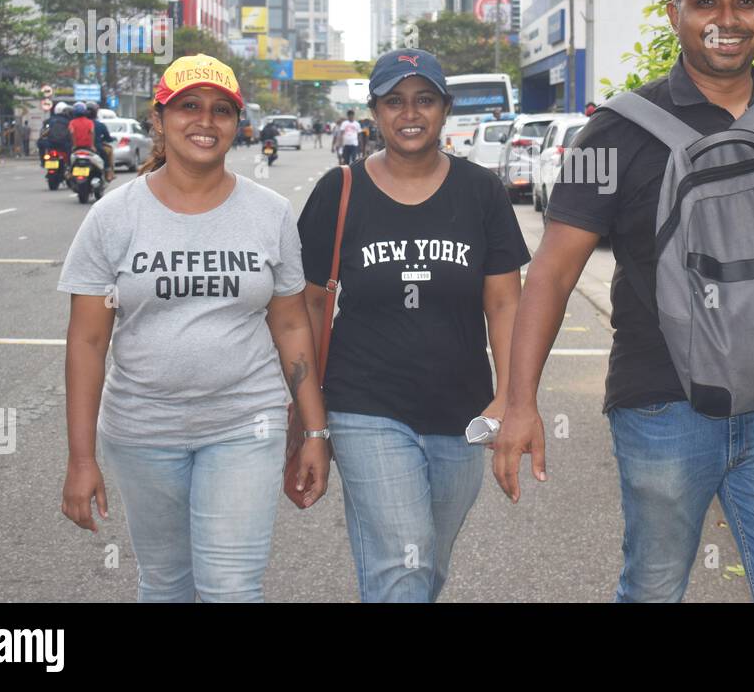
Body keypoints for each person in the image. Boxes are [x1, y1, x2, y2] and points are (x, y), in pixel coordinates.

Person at [493, 0, 754, 603]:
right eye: (705, 0)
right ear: (673, 13)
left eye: (746, 0)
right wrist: (519, 402)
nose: (727, 18)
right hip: (663, 404)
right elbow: (554, 273)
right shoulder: (617, 132)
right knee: (654, 590)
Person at [57, 54, 331, 602]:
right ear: (158, 120)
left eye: (221, 110)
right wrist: (81, 459)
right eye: (188, 106)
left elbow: (293, 326)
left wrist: (314, 432)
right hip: (141, 429)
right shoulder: (113, 217)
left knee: (231, 588)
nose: (205, 121)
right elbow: (87, 343)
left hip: (244, 423)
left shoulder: (270, 213)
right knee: (166, 585)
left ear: (236, 123)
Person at [298, 49, 530, 602]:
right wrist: (311, 422)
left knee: (428, 566)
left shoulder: (481, 192)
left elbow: (504, 304)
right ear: (374, 112)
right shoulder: (339, 191)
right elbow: (304, 310)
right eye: (394, 101)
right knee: (404, 563)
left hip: (461, 411)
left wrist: (511, 396)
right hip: (364, 407)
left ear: (444, 109)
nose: (410, 113)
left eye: (424, 99)